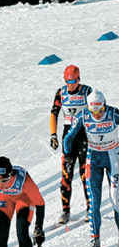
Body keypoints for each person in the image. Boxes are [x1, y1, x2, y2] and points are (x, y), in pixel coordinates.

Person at [63, 90, 119, 247]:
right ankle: (95, 240)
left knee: (116, 199)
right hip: (93, 159)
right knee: (93, 201)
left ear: (104, 105)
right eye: (94, 111)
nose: (97, 115)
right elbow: (68, 137)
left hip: (113, 158)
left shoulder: (114, 113)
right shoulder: (84, 115)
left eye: (100, 111)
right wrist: (67, 155)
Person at [49, 64, 92, 225]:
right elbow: (54, 114)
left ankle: (90, 208)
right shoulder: (61, 92)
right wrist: (53, 134)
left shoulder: (87, 91)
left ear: (79, 79)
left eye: (73, 81)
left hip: (84, 137)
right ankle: (65, 210)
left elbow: (96, 111)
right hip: (68, 138)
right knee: (66, 175)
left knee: (85, 175)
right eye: (67, 81)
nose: (70, 84)